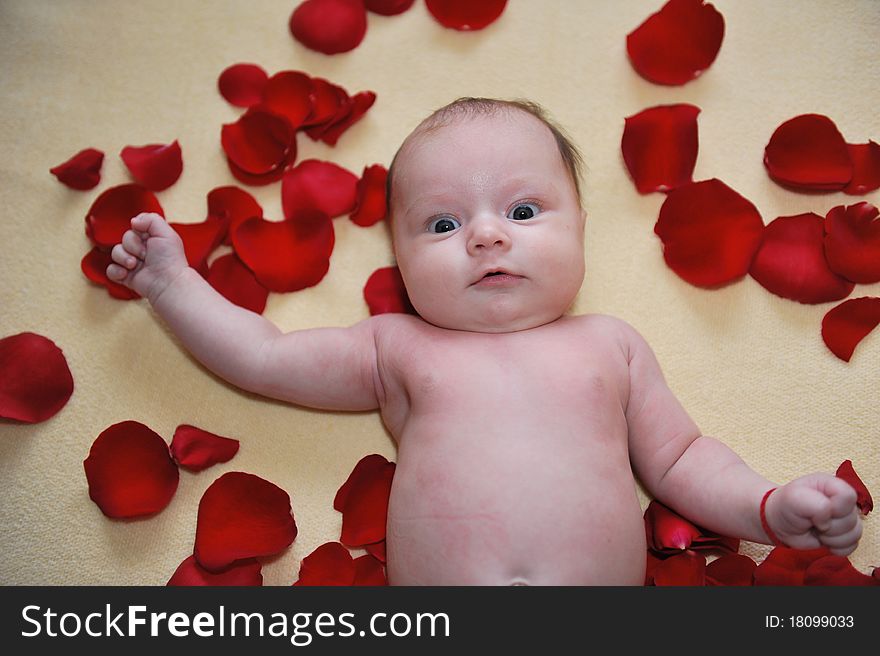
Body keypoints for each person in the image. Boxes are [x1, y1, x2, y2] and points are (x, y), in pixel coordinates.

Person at [107, 97, 862, 585]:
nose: (487, 235)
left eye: (525, 210)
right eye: (442, 223)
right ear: (399, 262)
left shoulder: (610, 344)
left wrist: (766, 506)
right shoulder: (396, 347)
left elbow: (681, 460)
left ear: (581, 231)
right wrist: (175, 286)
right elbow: (265, 358)